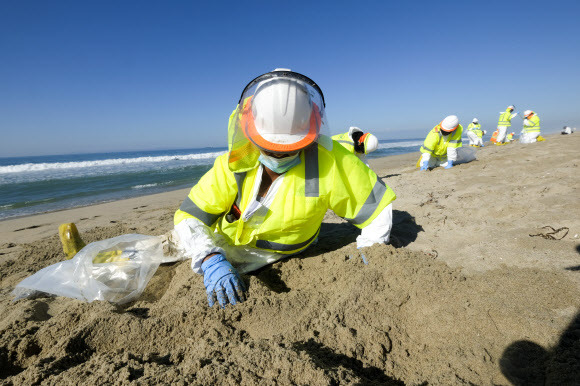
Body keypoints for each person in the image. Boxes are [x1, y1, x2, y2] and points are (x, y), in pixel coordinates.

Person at [173, 69, 396, 308]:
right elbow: (190, 216)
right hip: (226, 247)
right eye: (269, 148)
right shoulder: (233, 163)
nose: (278, 155)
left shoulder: (332, 161)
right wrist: (209, 257)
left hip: (293, 250)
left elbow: (376, 210)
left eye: (290, 148)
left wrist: (368, 251)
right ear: (250, 131)